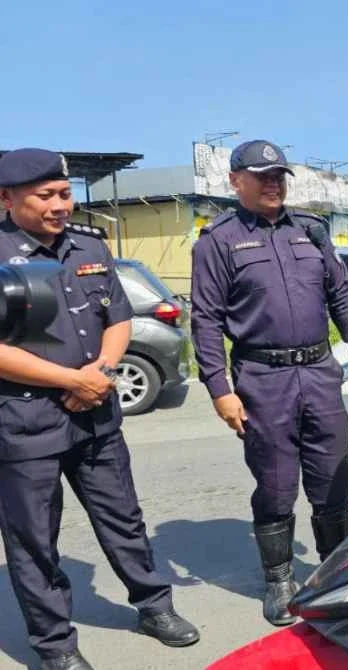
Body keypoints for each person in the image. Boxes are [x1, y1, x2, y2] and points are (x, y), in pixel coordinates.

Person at [0, 149, 199, 670]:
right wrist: (73, 379)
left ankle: (154, 607)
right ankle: (56, 646)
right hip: (24, 422)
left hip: (96, 414)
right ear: (6, 198)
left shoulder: (88, 246)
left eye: (64, 194)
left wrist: (103, 374)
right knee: (34, 541)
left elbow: (118, 318)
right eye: (45, 196)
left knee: (123, 519)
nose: (60, 205)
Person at [190, 139, 348, 626]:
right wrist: (219, 388)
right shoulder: (218, 241)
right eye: (261, 176)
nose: (273, 184)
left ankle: (337, 573)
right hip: (261, 377)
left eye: (278, 176)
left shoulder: (311, 232)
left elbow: (341, 295)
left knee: (332, 478)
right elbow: (205, 321)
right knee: (274, 484)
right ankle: (279, 580)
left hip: (318, 371)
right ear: (235, 181)